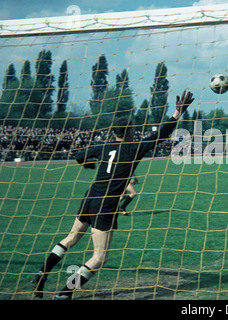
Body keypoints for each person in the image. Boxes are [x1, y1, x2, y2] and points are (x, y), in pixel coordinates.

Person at [31, 90, 194, 300]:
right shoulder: (133, 148)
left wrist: (89, 165)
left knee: (71, 237)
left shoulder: (104, 146)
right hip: (106, 203)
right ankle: (65, 294)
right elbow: (161, 135)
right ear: (129, 132)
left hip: (90, 197)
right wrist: (177, 113)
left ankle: (42, 273)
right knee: (99, 257)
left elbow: (79, 156)